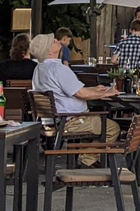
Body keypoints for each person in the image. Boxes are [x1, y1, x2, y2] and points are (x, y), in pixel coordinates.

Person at [30, 33, 120, 167]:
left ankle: (92, 161)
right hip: (72, 121)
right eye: (52, 41)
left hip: (53, 121)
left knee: (100, 123)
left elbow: (69, 90)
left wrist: (95, 89)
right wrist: (108, 93)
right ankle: (86, 160)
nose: (56, 40)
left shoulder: (39, 69)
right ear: (48, 51)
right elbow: (81, 93)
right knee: (113, 128)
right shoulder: (59, 68)